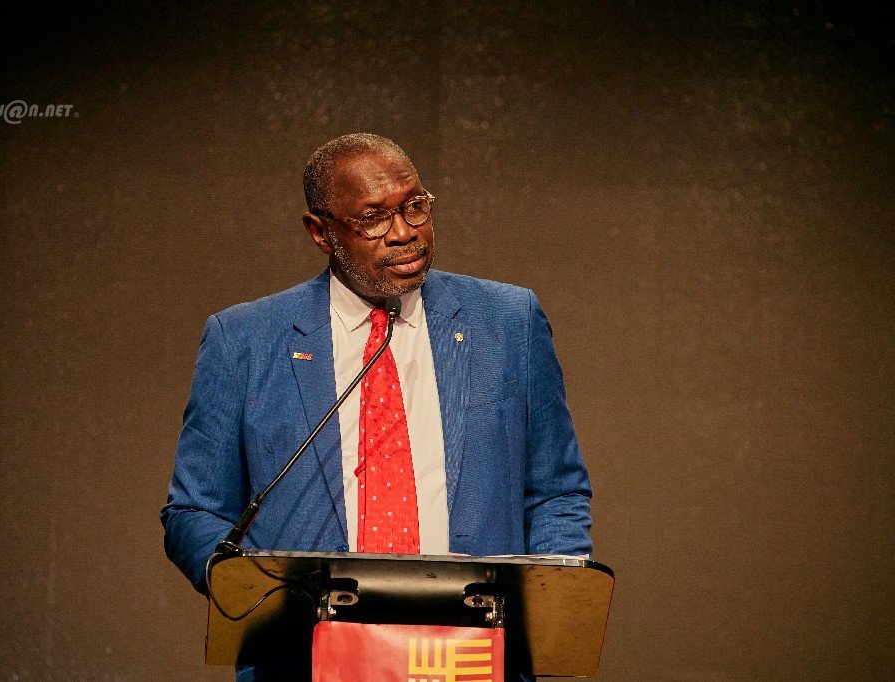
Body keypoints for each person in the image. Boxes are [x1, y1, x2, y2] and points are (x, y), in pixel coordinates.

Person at [161, 133, 593, 681]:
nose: (405, 232)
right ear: (320, 232)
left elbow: (556, 490)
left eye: (415, 206)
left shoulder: (508, 322)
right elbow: (194, 511)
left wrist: (545, 615)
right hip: (307, 664)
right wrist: (262, 599)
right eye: (373, 218)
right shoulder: (244, 340)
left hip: (473, 660)